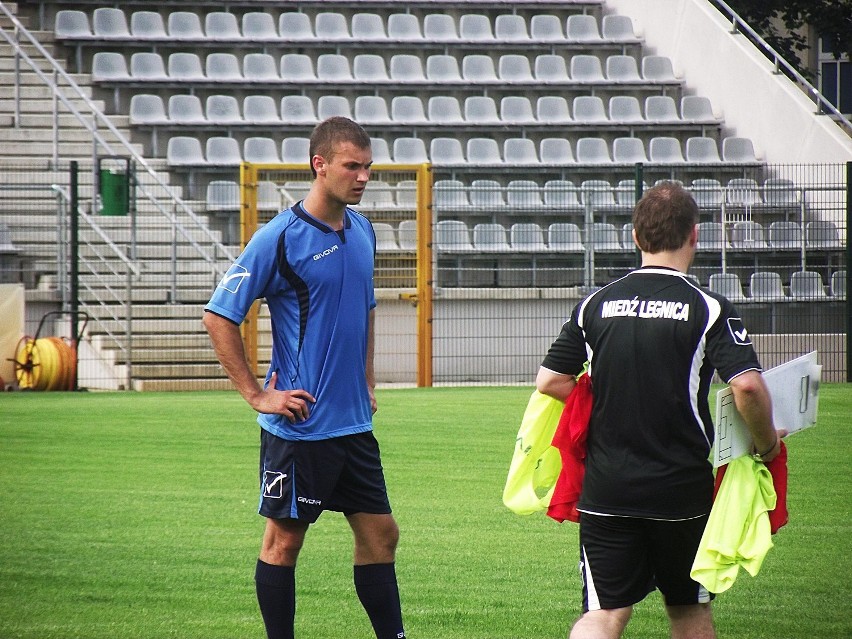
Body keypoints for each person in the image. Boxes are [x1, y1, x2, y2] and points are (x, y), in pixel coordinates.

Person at [535, 182, 784, 639]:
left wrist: (605, 399)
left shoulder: (595, 304)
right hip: (679, 490)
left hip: (607, 488)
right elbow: (746, 385)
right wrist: (768, 446)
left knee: (605, 613)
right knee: (688, 612)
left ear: (635, 236)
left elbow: (550, 381)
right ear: (695, 235)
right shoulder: (708, 308)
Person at [203, 116, 405, 639]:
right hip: (303, 424)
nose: (363, 178)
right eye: (352, 166)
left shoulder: (363, 230)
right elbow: (219, 315)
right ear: (320, 165)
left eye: (368, 168)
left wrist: (367, 379)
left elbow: (365, 306)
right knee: (284, 542)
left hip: (353, 424)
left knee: (381, 535)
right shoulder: (279, 237)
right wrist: (256, 394)